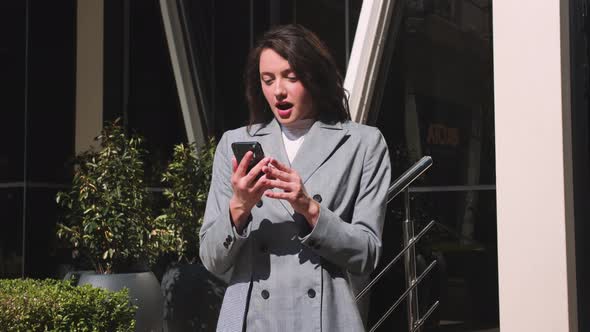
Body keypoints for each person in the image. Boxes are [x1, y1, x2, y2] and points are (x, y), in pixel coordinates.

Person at [199, 24, 392, 331]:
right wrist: (239, 207)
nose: (278, 91)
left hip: (324, 318)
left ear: (315, 76)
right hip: (253, 320)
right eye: (268, 80)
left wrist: (309, 208)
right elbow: (212, 259)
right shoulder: (233, 144)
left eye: (291, 77)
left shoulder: (363, 144)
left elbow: (367, 254)